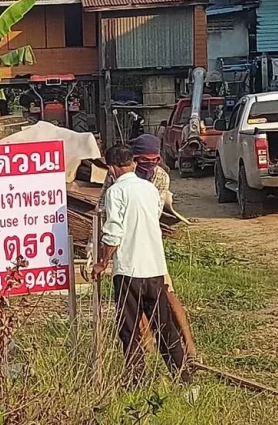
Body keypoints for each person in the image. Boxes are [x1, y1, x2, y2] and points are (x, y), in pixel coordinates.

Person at [92, 145, 191, 386]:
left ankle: (137, 381)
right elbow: (155, 217)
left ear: (112, 168)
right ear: (133, 163)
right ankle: (185, 380)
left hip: (129, 271)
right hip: (155, 268)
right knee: (164, 327)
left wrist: (102, 262)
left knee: (129, 329)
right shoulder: (150, 189)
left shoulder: (115, 192)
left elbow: (113, 232)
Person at [128, 134, 198, 360]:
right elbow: (104, 208)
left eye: (154, 160)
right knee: (136, 304)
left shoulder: (160, 177)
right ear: (133, 159)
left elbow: (153, 212)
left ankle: (189, 346)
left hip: (150, 244)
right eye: (143, 160)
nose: (149, 165)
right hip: (128, 248)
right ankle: (148, 351)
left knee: (168, 293)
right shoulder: (122, 176)